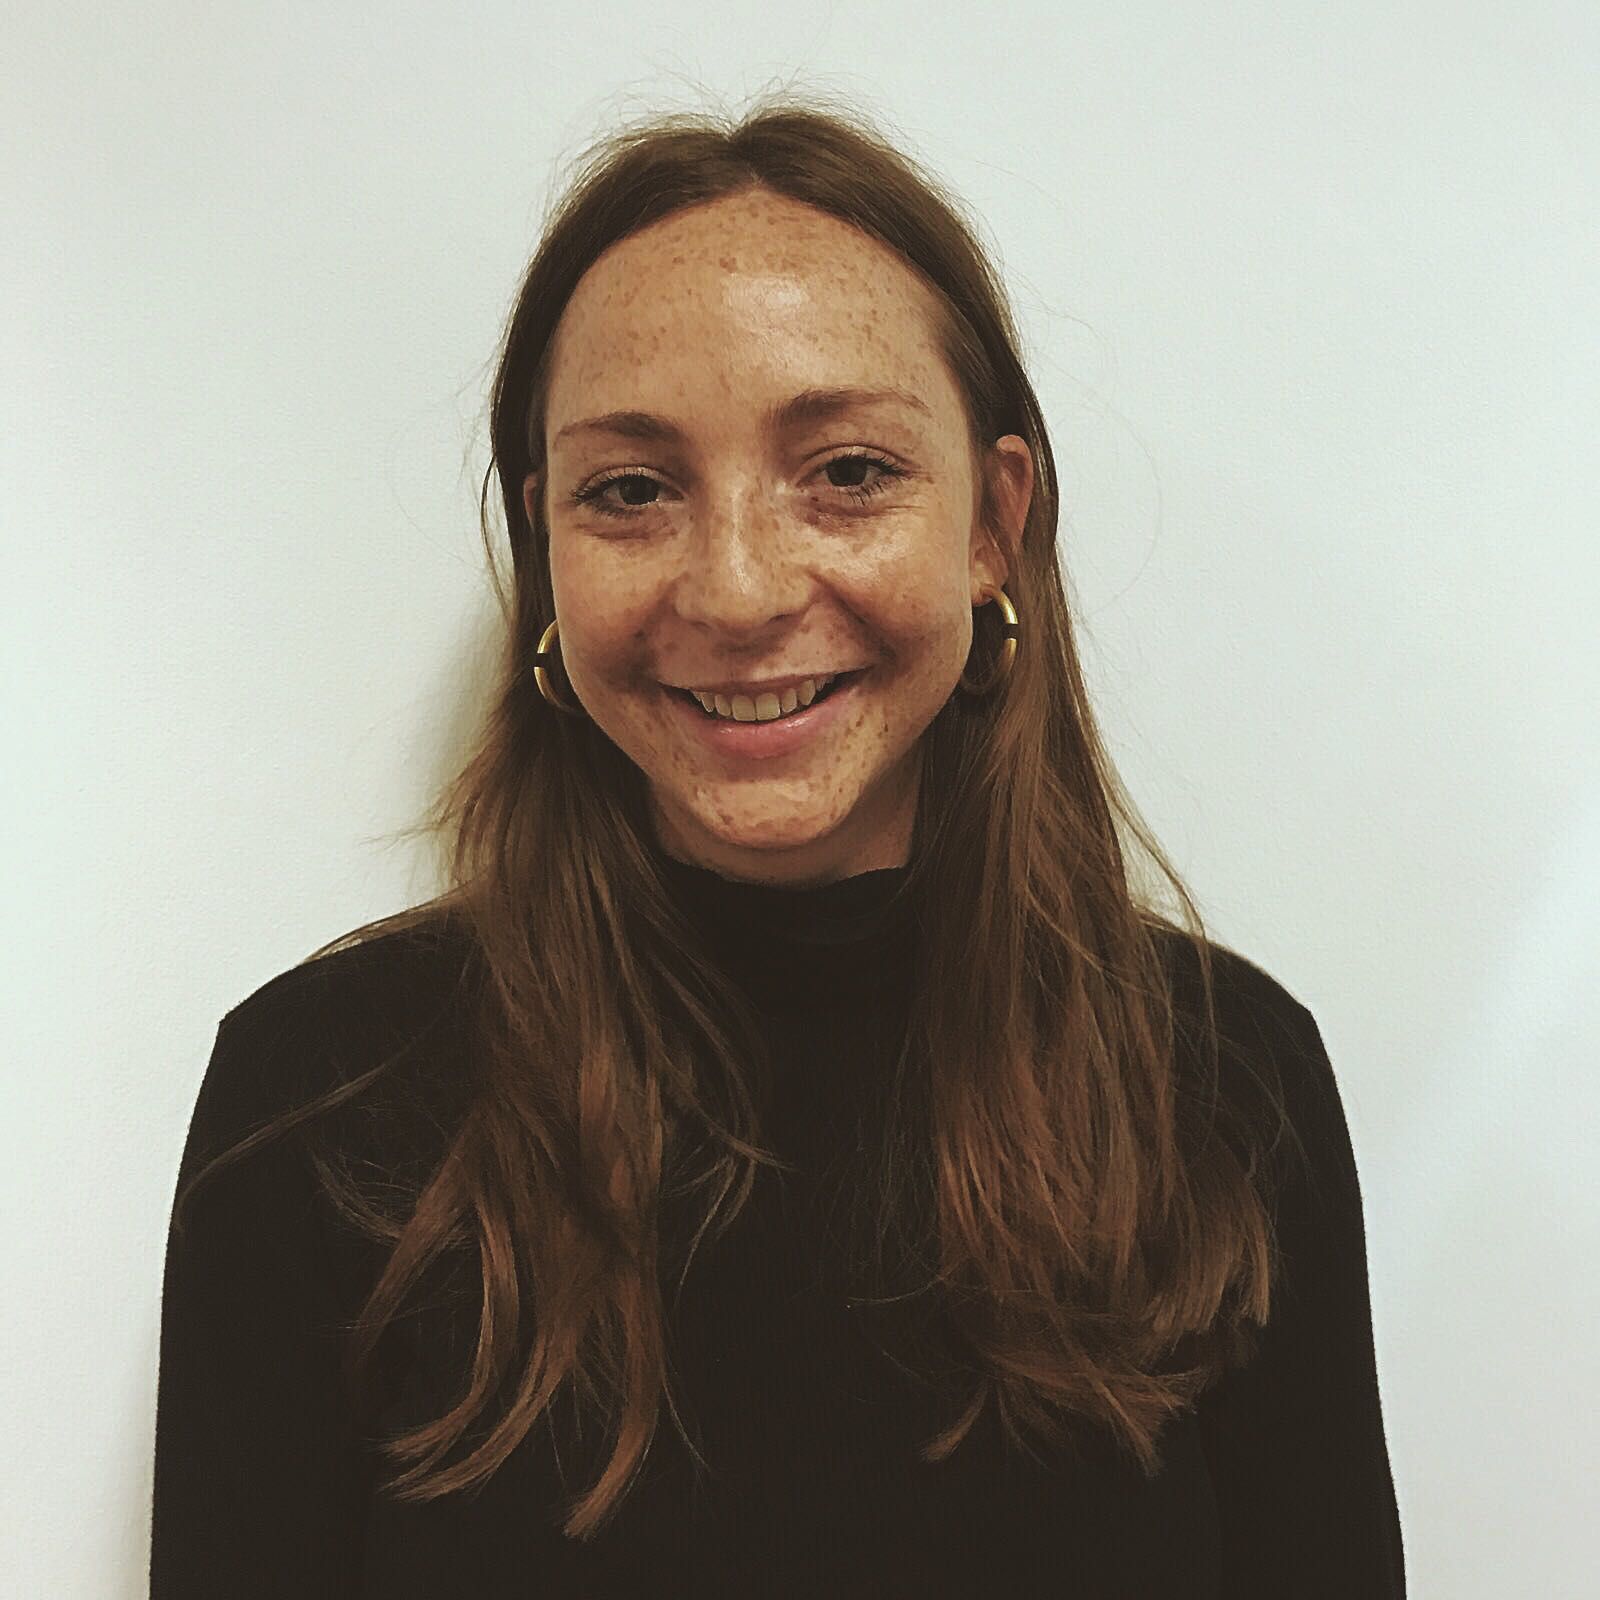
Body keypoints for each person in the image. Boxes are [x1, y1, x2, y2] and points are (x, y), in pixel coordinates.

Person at [149, 94, 1406, 1597]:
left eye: (850, 473)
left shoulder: (1224, 1082)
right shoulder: (315, 1106)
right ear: (546, 547)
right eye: (633, 490)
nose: (738, 590)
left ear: (995, 522)